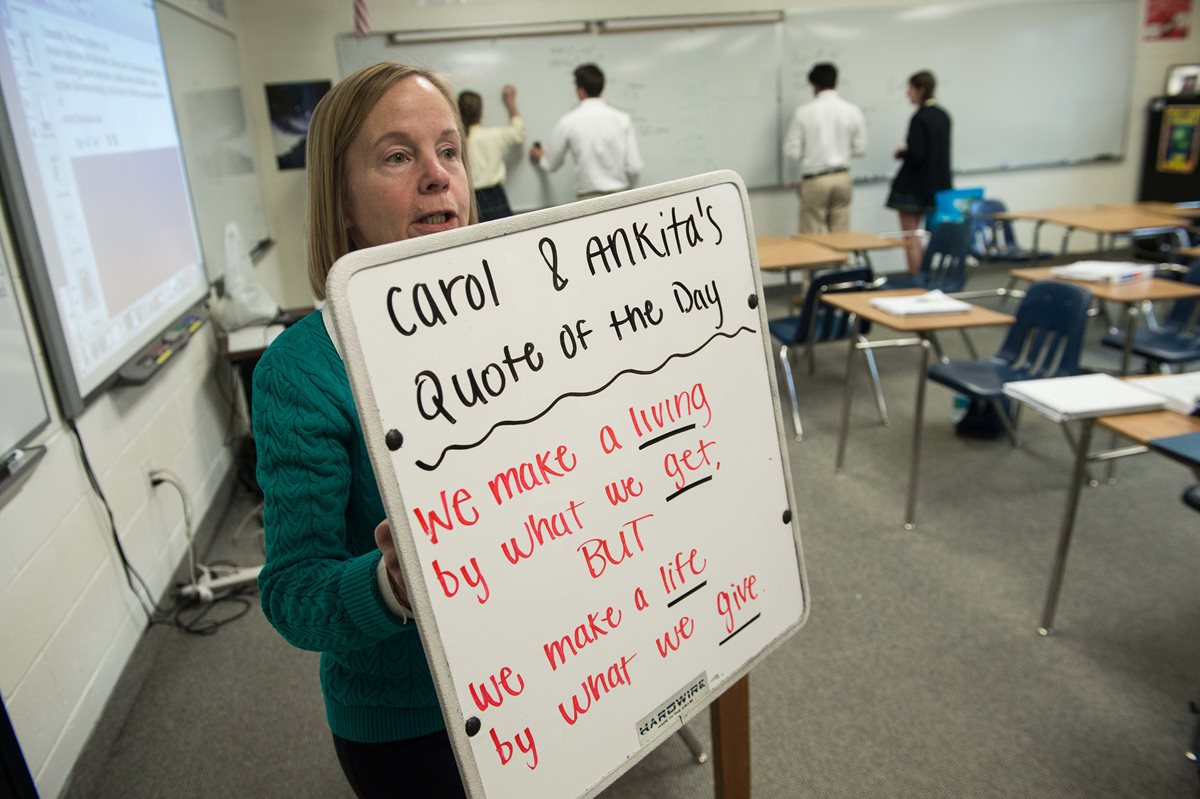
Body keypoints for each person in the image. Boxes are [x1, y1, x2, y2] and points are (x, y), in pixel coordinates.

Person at [252, 62, 476, 799]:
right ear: (341, 203)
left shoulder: (518, 323)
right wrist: (389, 584)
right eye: (398, 155)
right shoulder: (302, 370)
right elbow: (292, 591)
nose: (438, 176)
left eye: (449, 150)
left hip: (547, 673)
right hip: (411, 724)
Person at [529, 63, 643, 199]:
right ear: (602, 87)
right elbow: (634, 166)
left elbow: (551, 164)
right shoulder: (623, 119)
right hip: (621, 196)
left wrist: (541, 158)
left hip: (588, 201)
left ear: (580, 89)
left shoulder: (568, 121)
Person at [783, 62, 867, 234]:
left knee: (811, 233)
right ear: (836, 82)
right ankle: (841, 262)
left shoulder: (804, 112)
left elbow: (791, 150)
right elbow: (860, 148)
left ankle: (816, 262)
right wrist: (840, 152)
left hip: (815, 178)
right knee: (841, 234)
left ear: (813, 84)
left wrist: (812, 155)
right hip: (842, 177)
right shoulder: (852, 110)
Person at [886, 70, 952, 275]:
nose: (908, 93)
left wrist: (902, 153)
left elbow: (917, 155)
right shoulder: (943, 115)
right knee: (920, 235)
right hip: (936, 185)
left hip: (913, 186)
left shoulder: (919, 117)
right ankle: (925, 276)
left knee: (910, 236)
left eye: (911, 89)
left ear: (921, 89)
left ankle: (917, 279)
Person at [458, 84, 524, 221]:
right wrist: (511, 102)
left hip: (471, 200)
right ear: (480, 111)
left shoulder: (457, 140)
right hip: (496, 197)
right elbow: (518, 133)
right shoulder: (492, 136)